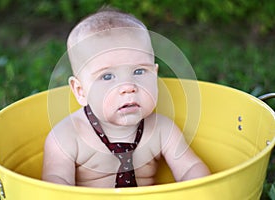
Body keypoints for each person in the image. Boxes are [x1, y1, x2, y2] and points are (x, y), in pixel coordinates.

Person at [42, 8, 210, 188]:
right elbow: (55, 188)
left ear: (155, 74)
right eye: (107, 76)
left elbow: (191, 168)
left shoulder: (162, 129)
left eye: (139, 71)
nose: (128, 87)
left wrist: (197, 186)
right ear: (80, 91)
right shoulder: (67, 136)